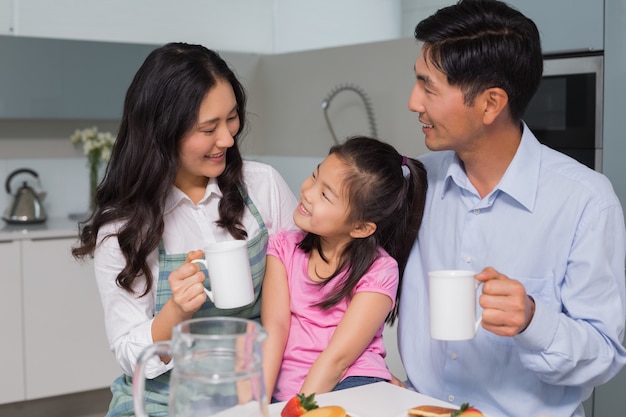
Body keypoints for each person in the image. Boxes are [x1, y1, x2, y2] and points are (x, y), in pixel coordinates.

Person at [398, 1, 626, 417]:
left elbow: (604, 355)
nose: (415, 102)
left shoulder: (586, 202)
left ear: (490, 104)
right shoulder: (415, 182)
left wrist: (533, 320)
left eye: (428, 87)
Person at [72, 42, 298, 417]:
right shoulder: (123, 229)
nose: (227, 139)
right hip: (163, 400)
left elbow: (307, 287)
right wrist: (176, 311)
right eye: (208, 128)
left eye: (232, 118)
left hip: (261, 386)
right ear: (161, 133)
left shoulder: (263, 185)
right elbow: (130, 353)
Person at [262, 136, 428, 402]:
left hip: (351, 380)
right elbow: (274, 329)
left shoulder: (380, 269)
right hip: (289, 388)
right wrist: (257, 405)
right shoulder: (282, 247)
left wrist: (299, 409)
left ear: (361, 227)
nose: (307, 191)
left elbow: (338, 359)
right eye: (315, 176)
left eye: (325, 195)